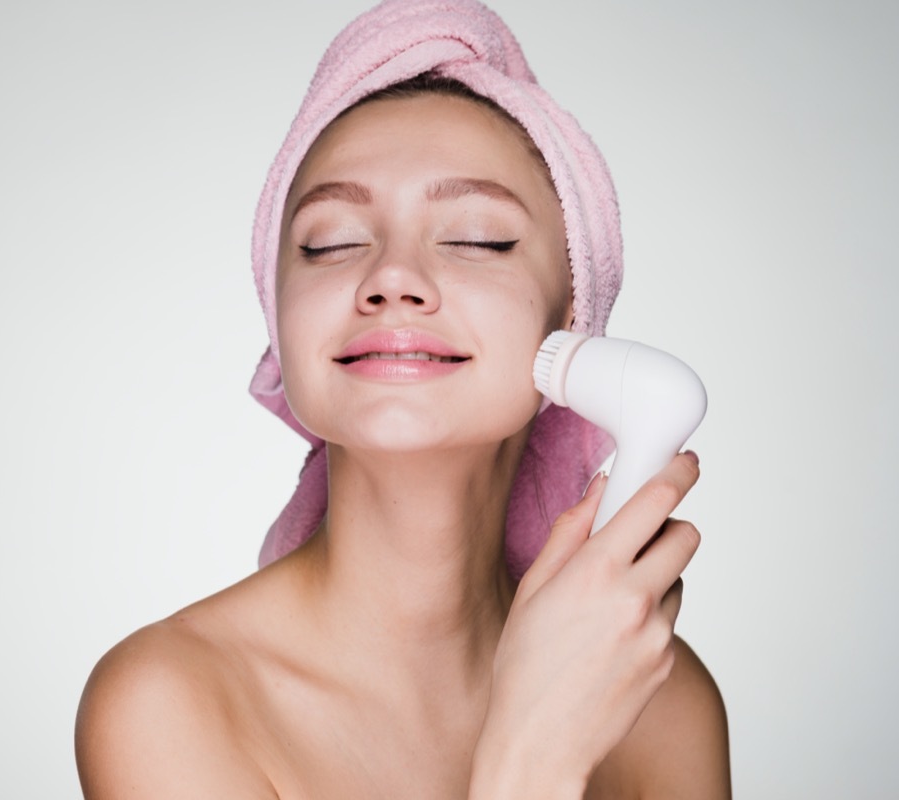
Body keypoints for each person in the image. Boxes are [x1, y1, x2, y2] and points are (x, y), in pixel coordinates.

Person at [76, 1, 731, 796]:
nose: (390, 278)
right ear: (279, 319)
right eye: (331, 242)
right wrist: (535, 752)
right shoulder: (170, 700)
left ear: (573, 318)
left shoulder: (663, 702)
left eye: (478, 238)